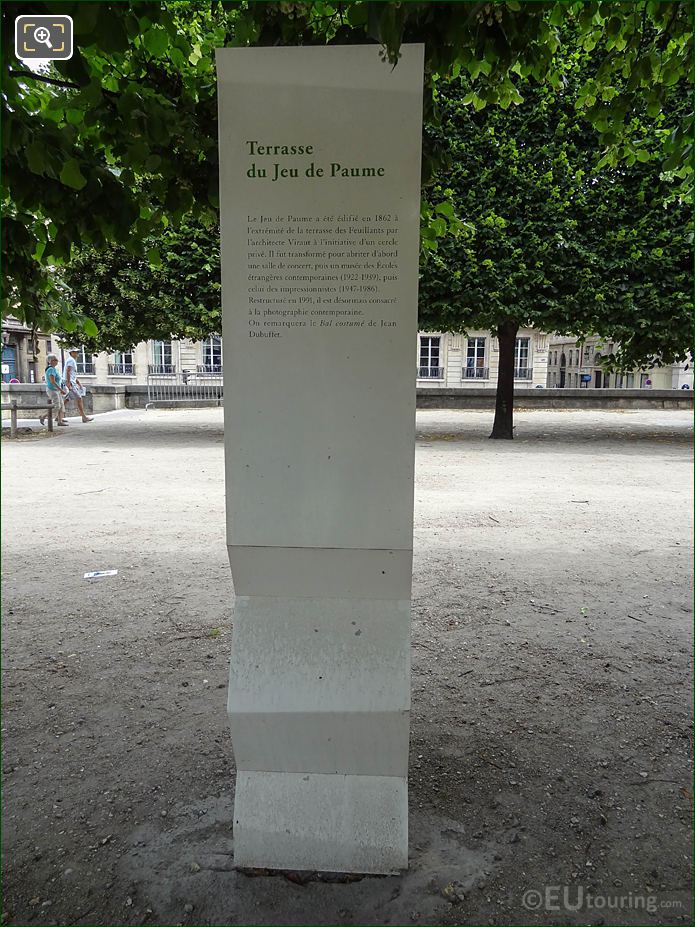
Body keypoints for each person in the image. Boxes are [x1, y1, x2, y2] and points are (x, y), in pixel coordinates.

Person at [63, 348, 93, 423]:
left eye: (77, 352)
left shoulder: (71, 360)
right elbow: (68, 371)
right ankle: (84, 417)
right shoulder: (71, 360)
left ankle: (57, 416)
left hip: (70, 382)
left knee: (67, 399)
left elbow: (72, 373)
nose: (77, 353)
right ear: (72, 353)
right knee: (79, 398)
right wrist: (69, 383)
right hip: (70, 383)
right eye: (76, 352)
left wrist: (78, 382)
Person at [40, 353, 68, 426]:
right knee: (57, 406)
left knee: (61, 405)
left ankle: (60, 421)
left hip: (56, 390)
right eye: (55, 360)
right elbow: (53, 381)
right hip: (53, 389)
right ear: (50, 361)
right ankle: (43, 416)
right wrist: (61, 390)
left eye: (56, 360)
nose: (56, 361)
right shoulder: (51, 369)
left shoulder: (53, 369)